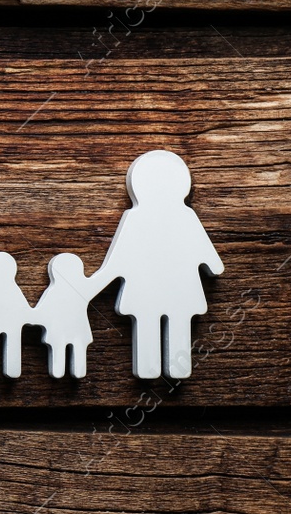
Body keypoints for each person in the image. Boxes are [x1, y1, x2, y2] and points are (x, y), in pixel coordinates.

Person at [89, 149, 225, 379]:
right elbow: (214, 265)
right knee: (174, 323)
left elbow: (116, 264)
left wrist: (92, 285)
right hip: (179, 292)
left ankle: (150, 370)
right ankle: (174, 369)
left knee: (150, 326)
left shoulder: (140, 218)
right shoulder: (184, 217)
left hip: (147, 293)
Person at [31, 252, 105, 379]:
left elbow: (42, 312)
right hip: (71, 331)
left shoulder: (54, 292)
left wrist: (31, 317)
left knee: (64, 350)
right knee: (71, 350)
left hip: (63, 331)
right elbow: (101, 280)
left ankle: (64, 371)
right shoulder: (80, 288)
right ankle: (69, 371)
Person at [0, 251, 36, 378]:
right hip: (3, 324)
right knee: (1, 344)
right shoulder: (1, 287)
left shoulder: (8, 288)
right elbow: (24, 307)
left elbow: (23, 307)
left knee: (4, 344)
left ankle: (6, 370)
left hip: (7, 324)